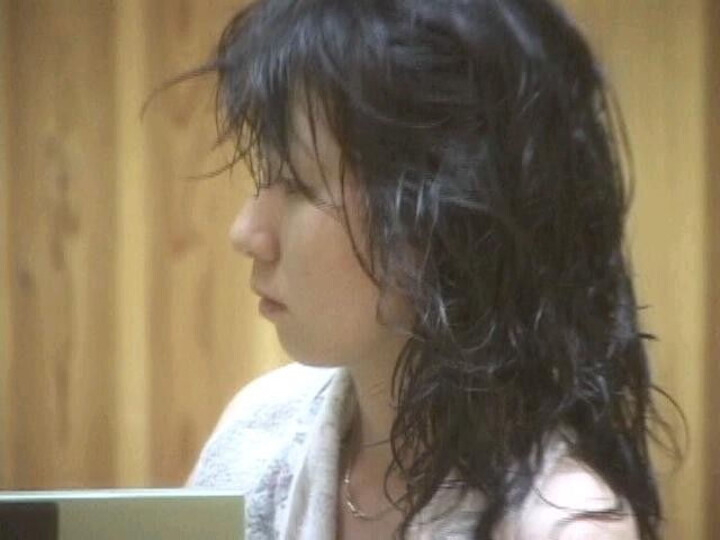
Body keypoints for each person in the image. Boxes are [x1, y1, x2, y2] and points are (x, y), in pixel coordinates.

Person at [185, 0, 674, 538]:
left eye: (297, 184)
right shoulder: (256, 436)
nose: (246, 232)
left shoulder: (560, 524)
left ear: (450, 213)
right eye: (263, 174)